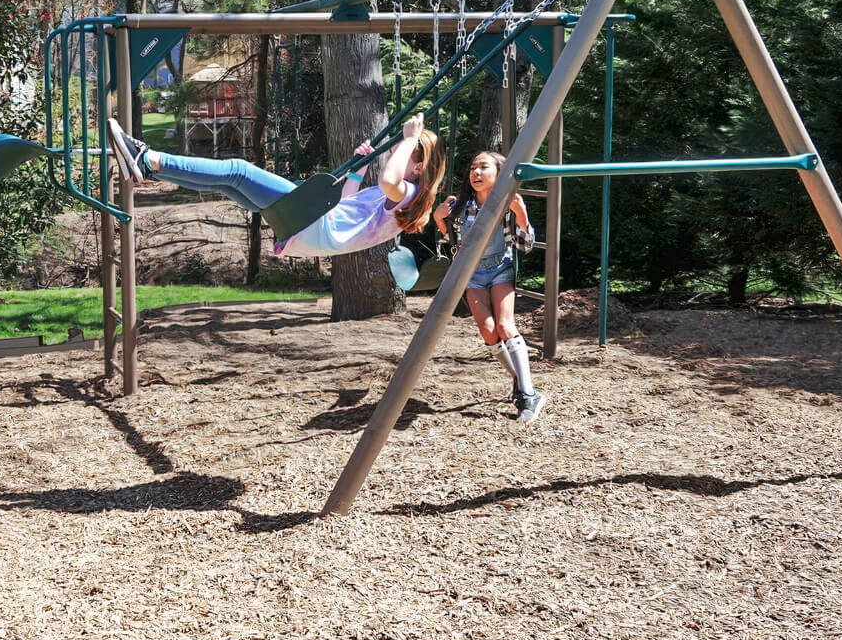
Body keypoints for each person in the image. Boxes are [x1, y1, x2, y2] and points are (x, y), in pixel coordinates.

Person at [105, 114, 445, 260]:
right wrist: (358, 169)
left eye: (406, 152)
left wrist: (410, 138)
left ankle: (148, 158)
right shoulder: (397, 200)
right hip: (313, 231)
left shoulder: (410, 194)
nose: (398, 152)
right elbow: (345, 206)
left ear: (418, 165)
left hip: (312, 222)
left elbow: (390, 180)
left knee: (238, 170)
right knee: (230, 183)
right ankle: (147, 171)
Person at [433, 150, 545, 423]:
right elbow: (455, 243)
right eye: (473, 168)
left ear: (498, 173)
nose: (476, 173)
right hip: (471, 274)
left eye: (483, 167)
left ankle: (528, 395)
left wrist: (521, 215)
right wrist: (438, 220)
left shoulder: (508, 203)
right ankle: (520, 381)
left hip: (500, 270)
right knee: (488, 330)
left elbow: (525, 245)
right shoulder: (461, 205)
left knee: (506, 326)